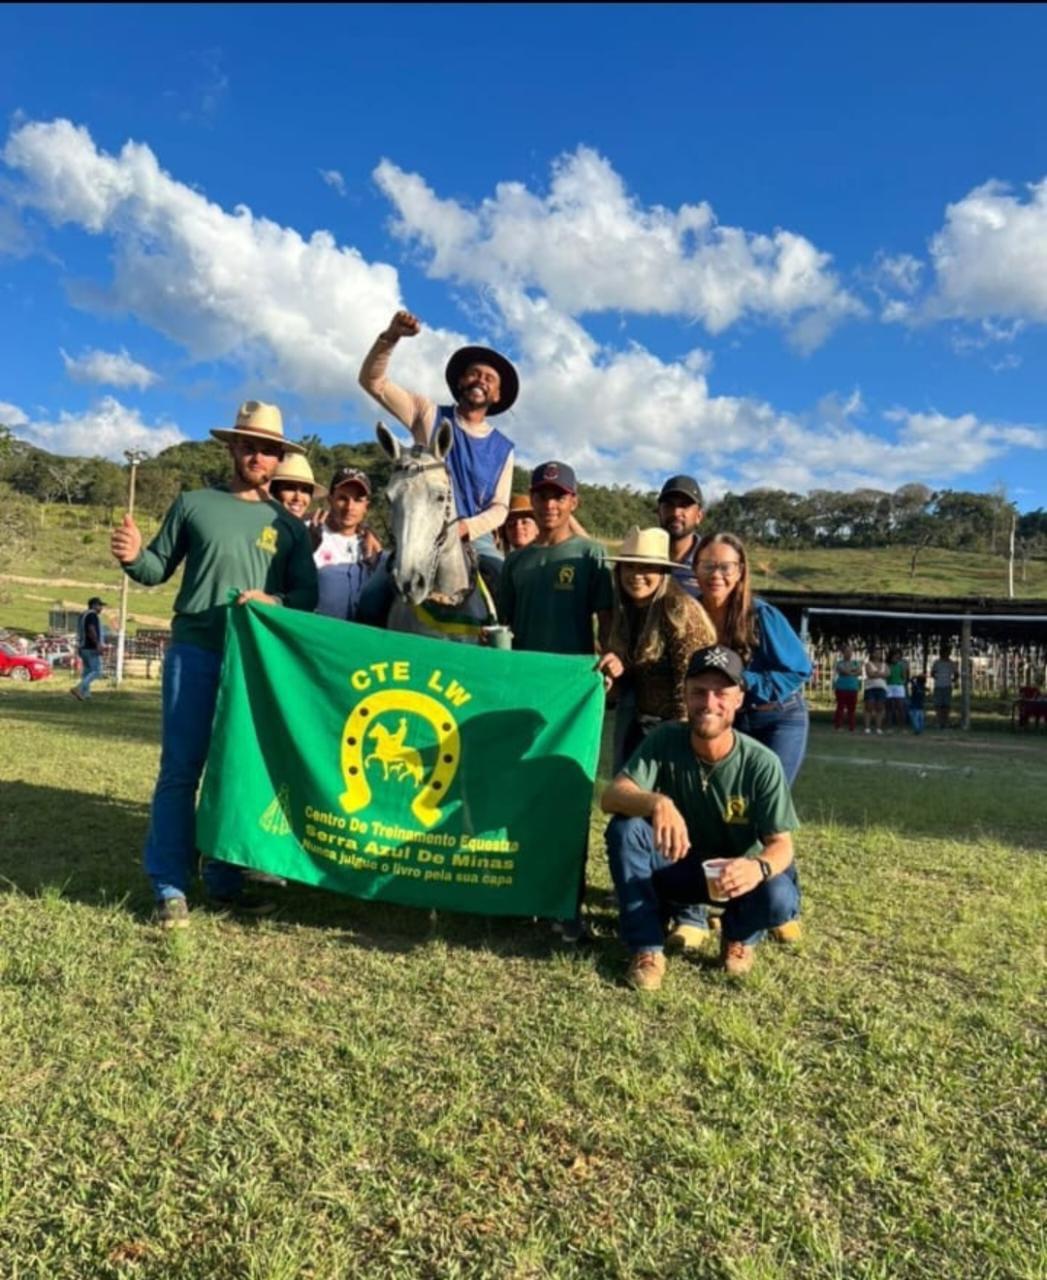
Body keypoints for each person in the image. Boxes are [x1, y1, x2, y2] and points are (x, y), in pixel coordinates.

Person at [110, 401, 318, 929]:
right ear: (232, 447)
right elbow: (157, 569)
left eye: (267, 448)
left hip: (252, 664)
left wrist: (275, 604)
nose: (257, 455)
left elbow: (306, 594)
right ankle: (170, 886)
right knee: (181, 770)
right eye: (248, 444)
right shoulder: (193, 503)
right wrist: (134, 556)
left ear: (277, 458)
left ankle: (224, 882)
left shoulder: (288, 527)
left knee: (234, 772)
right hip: (195, 650)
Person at [602, 644, 801, 989]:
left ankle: (738, 935)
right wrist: (658, 803)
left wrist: (756, 868)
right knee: (625, 829)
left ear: (739, 698)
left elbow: (782, 845)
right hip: (676, 866)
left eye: (721, 693)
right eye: (699, 692)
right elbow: (611, 796)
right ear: (685, 695)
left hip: (734, 876)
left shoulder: (761, 762)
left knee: (780, 897)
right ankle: (647, 947)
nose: (709, 703)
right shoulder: (665, 740)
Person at [498, 460, 614, 942]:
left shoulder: (591, 555)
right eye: (541, 495)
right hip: (521, 698)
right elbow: (503, 629)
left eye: (558, 496)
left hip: (571, 704)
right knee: (518, 798)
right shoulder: (517, 562)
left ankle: (566, 903)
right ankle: (519, 895)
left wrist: (608, 664)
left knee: (567, 799)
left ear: (573, 502)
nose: (549, 504)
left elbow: (607, 625)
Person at [359, 309, 517, 572]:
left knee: (504, 579)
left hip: (475, 538)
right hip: (420, 528)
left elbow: (500, 507)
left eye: (490, 379)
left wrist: (466, 528)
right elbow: (372, 381)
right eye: (474, 373)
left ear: (497, 395)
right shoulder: (427, 413)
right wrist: (391, 336)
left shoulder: (503, 449)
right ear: (460, 381)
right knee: (373, 598)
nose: (480, 381)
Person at [692, 532, 812, 785]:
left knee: (766, 799)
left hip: (776, 717)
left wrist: (743, 682)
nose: (716, 575)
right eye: (708, 566)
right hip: (724, 718)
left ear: (740, 572)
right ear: (695, 570)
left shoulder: (761, 615)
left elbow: (799, 670)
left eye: (726, 567)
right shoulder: (688, 615)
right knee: (725, 798)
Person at [598, 527, 716, 771]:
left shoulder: (678, 611)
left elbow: (691, 681)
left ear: (663, 573)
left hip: (676, 730)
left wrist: (681, 742)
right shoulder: (627, 611)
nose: (636, 575)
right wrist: (615, 671)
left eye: (646, 568)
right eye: (630, 567)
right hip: (641, 724)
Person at [313, 466, 385, 622]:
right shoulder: (311, 534)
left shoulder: (373, 547)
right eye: (342, 498)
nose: (350, 507)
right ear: (330, 499)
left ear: (367, 506)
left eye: (358, 500)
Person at [656, 475, 705, 599]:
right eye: (669, 505)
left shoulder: (710, 561)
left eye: (685, 505)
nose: (676, 512)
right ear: (659, 512)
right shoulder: (644, 555)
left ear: (699, 516)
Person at [269, 452, 327, 524]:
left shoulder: (309, 531)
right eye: (290, 488)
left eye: (305, 490)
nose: (298, 498)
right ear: (274, 491)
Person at [70, 595, 108, 701]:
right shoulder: (92, 615)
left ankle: (85, 694)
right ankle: (78, 688)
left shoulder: (83, 615)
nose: (101, 608)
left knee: (87, 671)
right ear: (94, 605)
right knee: (97, 671)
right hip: (91, 647)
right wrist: (97, 644)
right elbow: (91, 629)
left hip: (82, 647)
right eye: (100, 605)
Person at [832, 646, 863, 732]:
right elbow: (843, 671)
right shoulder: (839, 663)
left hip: (853, 688)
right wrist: (853, 671)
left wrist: (851, 671)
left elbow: (860, 672)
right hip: (841, 688)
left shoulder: (856, 662)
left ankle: (852, 727)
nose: (849, 653)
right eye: (847, 651)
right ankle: (838, 726)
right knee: (840, 707)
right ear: (843, 653)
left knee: (852, 709)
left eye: (850, 652)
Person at [930, 645, 958, 729]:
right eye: (944, 652)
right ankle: (939, 721)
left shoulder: (951, 663)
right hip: (938, 686)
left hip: (947, 686)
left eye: (947, 652)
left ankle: (945, 722)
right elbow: (932, 673)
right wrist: (937, 678)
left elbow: (956, 674)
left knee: (946, 705)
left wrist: (953, 680)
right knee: (938, 705)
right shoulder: (937, 662)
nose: (945, 654)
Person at [863, 648, 889, 735]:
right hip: (870, 688)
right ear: (872, 654)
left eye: (879, 653)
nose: (878, 655)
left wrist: (877, 674)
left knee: (880, 707)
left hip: (882, 688)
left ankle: (878, 728)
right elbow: (870, 674)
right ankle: (867, 727)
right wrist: (881, 674)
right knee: (869, 706)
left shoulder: (885, 665)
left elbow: (887, 674)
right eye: (876, 653)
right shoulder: (868, 664)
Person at [885, 647, 910, 731]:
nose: (896, 658)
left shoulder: (901, 666)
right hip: (889, 686)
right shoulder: (887, 665)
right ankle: (889, 726)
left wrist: (902, 683)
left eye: (898, 657)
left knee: (900, 707)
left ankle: (902, 727)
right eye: (894, 656)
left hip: (898, 687)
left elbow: (904, 677)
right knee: (889, 707)